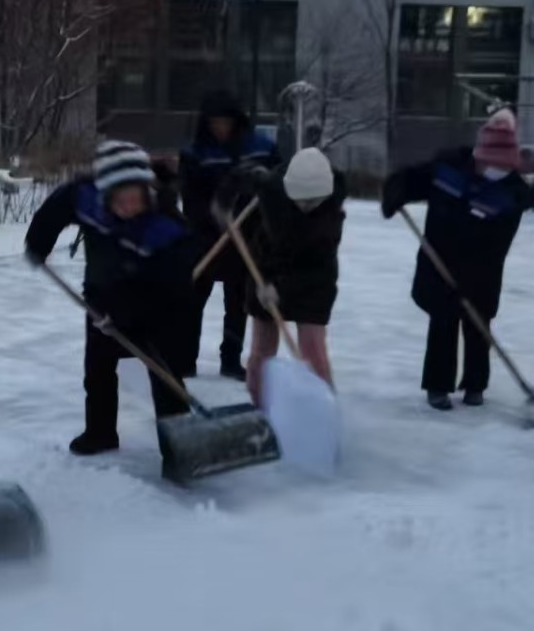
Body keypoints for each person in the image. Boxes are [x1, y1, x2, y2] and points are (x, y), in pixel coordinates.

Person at [25, 140, 202, 455]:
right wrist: (38, 243)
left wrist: (125, 315)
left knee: (164, 374)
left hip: (156, 306)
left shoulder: (166, 229)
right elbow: (60, 204)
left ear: (148, 192)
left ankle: (181, 446)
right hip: (102, 292)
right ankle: (100, 433)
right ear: (105, 194)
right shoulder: (87, 198)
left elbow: (175, 290)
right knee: (98, 366)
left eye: (135, 199)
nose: (128, 207)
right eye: (120, 200)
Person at [381, 109, 528, 411]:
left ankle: (475, 385)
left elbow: (497, 245)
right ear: (479, 156)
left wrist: (469, 278)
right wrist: (396, 193)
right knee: (443, 321)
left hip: (482, 268)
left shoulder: (513, 193)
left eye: (503, 167)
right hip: (439, 261)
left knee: (478, 324)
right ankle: (438, 386)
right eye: (491, 165)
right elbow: (409, 179)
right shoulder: (448, 167)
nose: (495, 171)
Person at [218, 147, 345, 405]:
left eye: (312, 201)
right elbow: (242, 175)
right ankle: (261, 408)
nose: (305, 206)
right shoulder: (273, 185)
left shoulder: (329, 218)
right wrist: (223, 202)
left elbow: (311, 263)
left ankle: (324, 412)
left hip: (314, 279)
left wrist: (280, 288)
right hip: (266, 265)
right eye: (299, 199)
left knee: (313, 352)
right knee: (261, 351)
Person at [179, 90, 282, 380]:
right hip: (206, 237)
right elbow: (191, 198)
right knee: (193, 301)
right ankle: (186, 359)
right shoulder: (195, 152)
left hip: (247, 239)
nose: (220, 128)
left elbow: (277, 184)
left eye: (225, 122)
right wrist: (214, 222)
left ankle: (231, 360)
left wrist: (257, 220)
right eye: (214, 123)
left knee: (237, 303)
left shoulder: (261, 148)